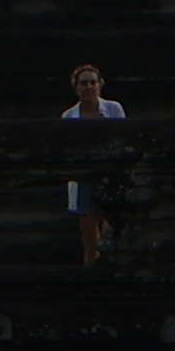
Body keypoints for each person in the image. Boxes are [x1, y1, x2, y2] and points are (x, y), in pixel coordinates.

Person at [59, 59, 126, 265]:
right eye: (83, 83)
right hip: (83, 176)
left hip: (109, 175)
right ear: (76, 87)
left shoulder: (114, 109)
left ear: (100, 85)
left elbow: (123, 139)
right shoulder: (69, 116)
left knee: (111, 233)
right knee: (90, 239)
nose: (88, 86)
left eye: (92, 82)